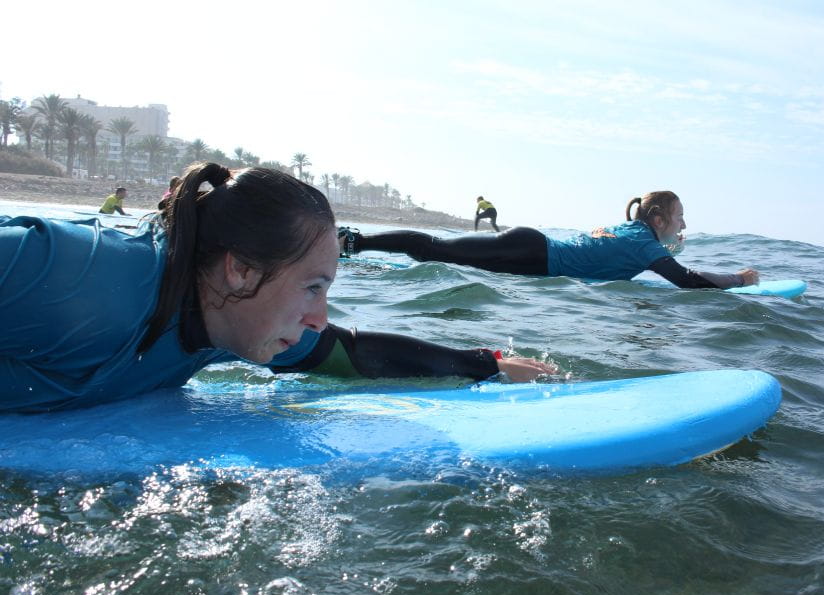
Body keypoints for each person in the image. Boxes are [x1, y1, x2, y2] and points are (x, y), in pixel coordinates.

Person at [0, 163, 553, 413]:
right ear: (239, 269)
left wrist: (485, 363)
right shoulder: (78, 279)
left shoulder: (230, 319)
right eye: (313, 287)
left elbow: (351, 353)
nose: (319, 315)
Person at [340, 191, 759, 288]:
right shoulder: (642, 243)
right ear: (659, 217)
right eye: (680, 218)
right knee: (437, 249)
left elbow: (616, 253)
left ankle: (357, 243)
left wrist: (669, 246)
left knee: (441, 253)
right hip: (532, 253)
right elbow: (685, 280)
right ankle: (354, 241)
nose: (683, 225)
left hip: (532, 250)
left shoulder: (632, 232)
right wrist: (739, 279)